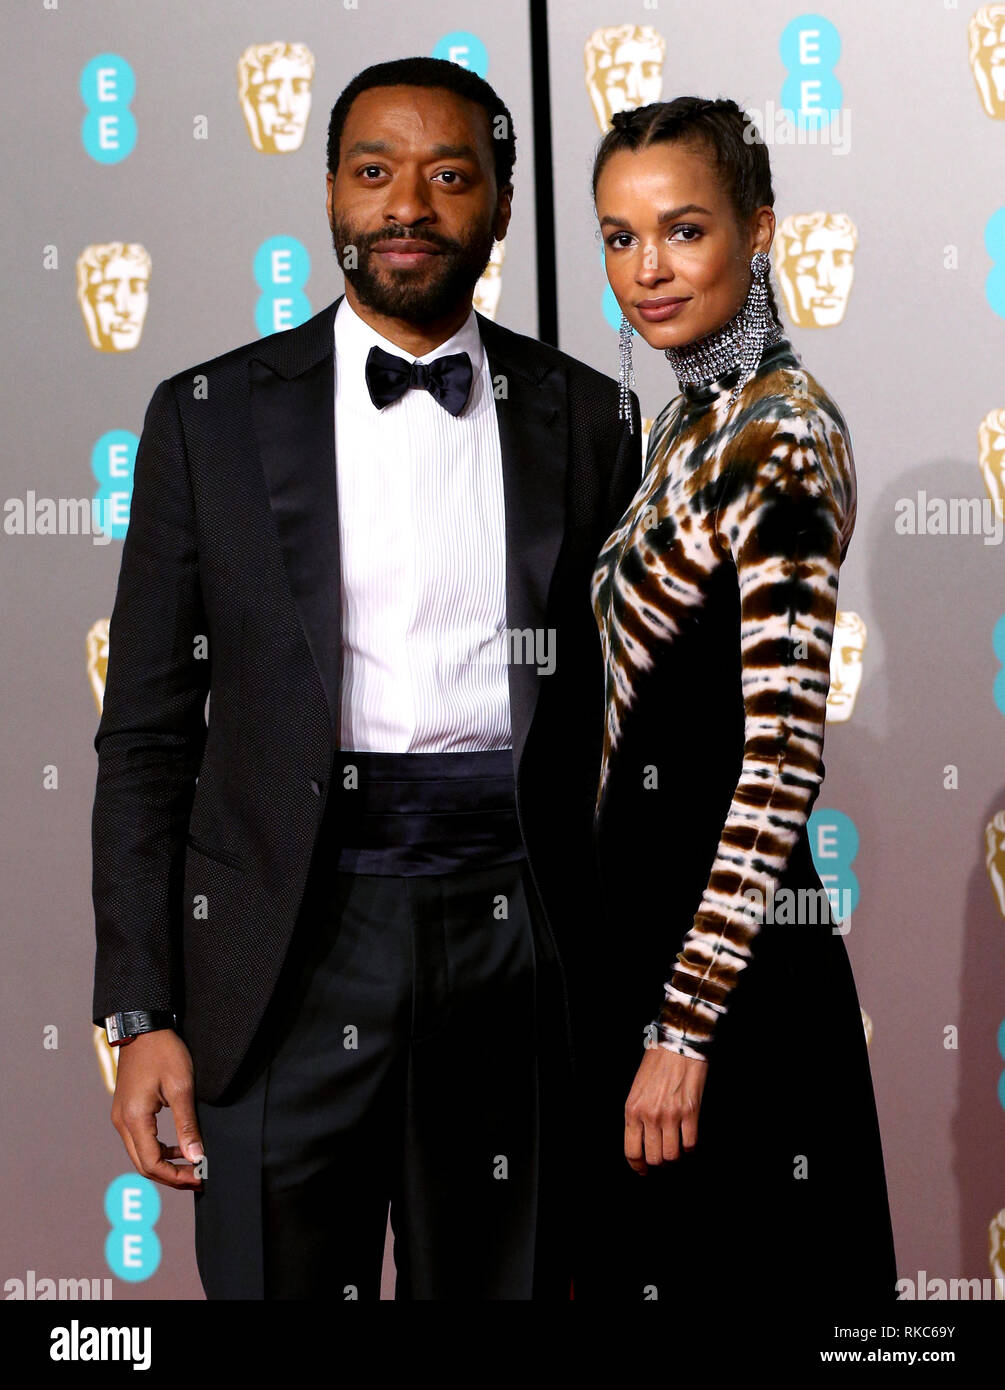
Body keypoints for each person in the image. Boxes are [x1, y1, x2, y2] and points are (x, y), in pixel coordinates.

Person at [90, 56, 642, 1301]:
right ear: (331, 194)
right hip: (282, 953)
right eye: (375, 172)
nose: (409, 205)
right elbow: (146, 741)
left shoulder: (593, 419)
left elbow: (637, 721)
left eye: (451, 177)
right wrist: (139, 1009)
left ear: (502, 206)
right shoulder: (206, 416)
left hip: (517, 938)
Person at [571, 96, 898, 1301]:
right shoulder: (683, 425)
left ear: (759, 231)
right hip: (642, 944)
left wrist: (685, 1026)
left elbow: (776, 763)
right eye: (618, 237)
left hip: (729, 981)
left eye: (683, 231)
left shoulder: (783, 436)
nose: (646, 271)